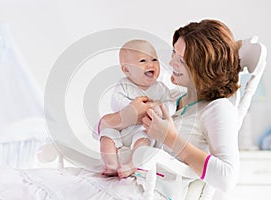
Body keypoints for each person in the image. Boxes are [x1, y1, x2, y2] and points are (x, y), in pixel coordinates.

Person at [99, 19, 241, 198]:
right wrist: (125, 116)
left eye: (181, 60)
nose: (171, 62)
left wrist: (171, 138)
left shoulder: (217, 109)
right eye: (174, 52)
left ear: (204, 68)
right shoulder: (170, 97)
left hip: (150, 190)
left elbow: (227, 179)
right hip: (131, 179)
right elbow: (103, 127)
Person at [99, 39, 176, 178]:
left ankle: (131, 165)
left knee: (144, 141)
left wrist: (158, 108)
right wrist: (132, 109)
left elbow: (171, 105)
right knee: (107, 135)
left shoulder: (161, 89)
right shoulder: (124, 85)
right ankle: (111, 165)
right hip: (123, 128)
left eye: (154, 59)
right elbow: (116, 103)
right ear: (126, 69)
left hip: (143, 128)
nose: (150, 64)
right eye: (143, 61)